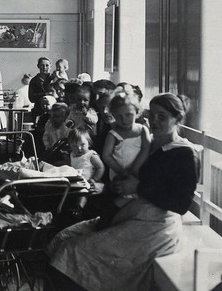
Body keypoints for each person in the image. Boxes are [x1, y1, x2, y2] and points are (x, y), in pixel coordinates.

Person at [47, 93, 199, 290]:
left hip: (156, 226)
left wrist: (138, 188)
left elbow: (181, 204)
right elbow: (123, 175)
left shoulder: (185, 154)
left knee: (71, 252)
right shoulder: (145, 142)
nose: (154, 121)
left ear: (177, 119)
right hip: (129, 212)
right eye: (151, 115)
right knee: (61, 239)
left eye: (162, 116)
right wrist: (105, 187)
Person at [102, 90, 151, 189]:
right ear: (113, 115)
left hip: (139, 171)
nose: (124, 120)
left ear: (137, 113)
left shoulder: (142, 130)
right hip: (119, 174)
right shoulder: (113, 134)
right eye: (119, 116)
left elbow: (146, 149)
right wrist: (120, 171)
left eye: (128, 115)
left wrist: (134, 169)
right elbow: (106, 156)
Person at [68, 128, 105, 209]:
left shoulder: (91, 155)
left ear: (89, 143)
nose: (79, 148)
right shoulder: (72, 155)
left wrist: (94, 179)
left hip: (88, 182)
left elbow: (101, 167)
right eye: (74, 146)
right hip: (76, 182)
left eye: (82, 145)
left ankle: (79, 208)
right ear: (70, 145)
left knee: (83, 194)